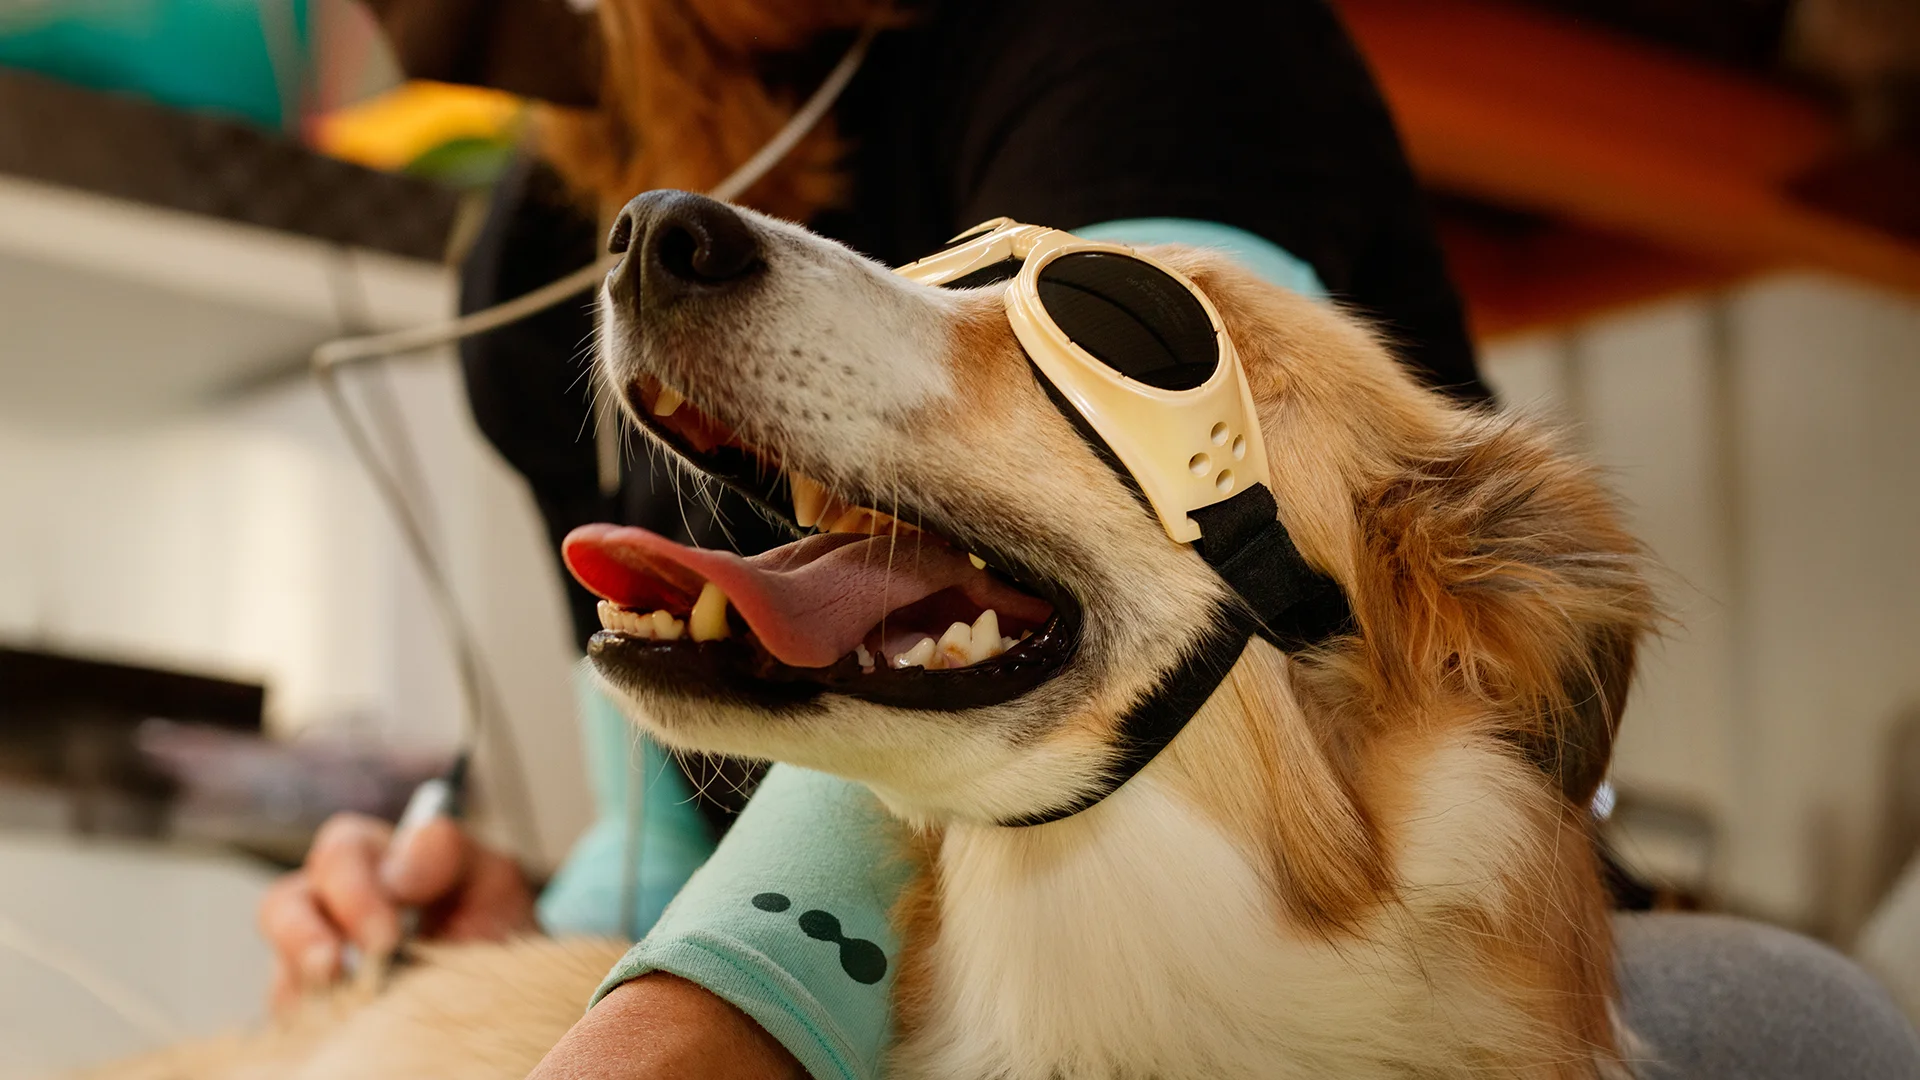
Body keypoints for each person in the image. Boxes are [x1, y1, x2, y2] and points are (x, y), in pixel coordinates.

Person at [259, 1, 1920, 1077]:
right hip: (943, 1001)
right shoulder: (530, 263)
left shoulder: (1154, 39)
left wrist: (702, 1001)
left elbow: (1167, 494)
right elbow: (665, 850)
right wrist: (523, 918)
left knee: (1810, 1037)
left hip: (1341, 972)